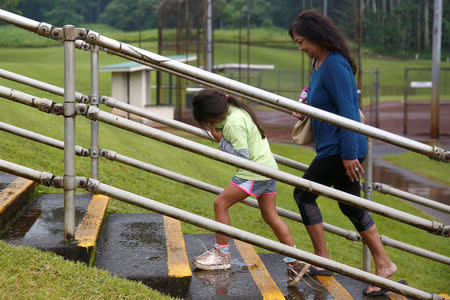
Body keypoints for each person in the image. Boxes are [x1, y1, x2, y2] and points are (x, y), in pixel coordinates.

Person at [288, 10, 397, 296]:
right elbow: (316, 91)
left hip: (341, 149)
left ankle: (323, 259)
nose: (300, 47)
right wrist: (303, 102)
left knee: (303, 194)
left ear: (316, 36)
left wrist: (349, 154)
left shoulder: (336, 64)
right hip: (334, 147)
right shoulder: (318, 61)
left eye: (301, 41)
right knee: (351, 205)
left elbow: (348, 111)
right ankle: (383, 264)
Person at [191, 88, 309, 286]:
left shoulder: (232, 124)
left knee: (220, 204)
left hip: (253, 172)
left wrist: (221, 142)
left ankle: (222, 254)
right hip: (268, 169)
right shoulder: (237, 112)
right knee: (270, 215)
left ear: (211, 117)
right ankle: (295, 260)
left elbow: (241, 157)